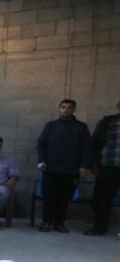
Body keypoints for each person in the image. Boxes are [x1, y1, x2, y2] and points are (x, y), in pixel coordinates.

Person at [36, 99, 91, 233]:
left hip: (71, 170)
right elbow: (41, 144)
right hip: (50, 168)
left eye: (69, 107)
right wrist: (41, 161)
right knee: (49, 197)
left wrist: (84, 166)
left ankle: (59, 223)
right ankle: (46, 222)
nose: (66, 110)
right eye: (63, 107)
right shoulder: (51, 125)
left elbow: (87, 148)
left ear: (74, 110)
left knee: (64, 198)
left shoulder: (81, 127)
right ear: (59, 109)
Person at [85, 98, 120, 236]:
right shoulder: (106, 122)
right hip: (108, 166)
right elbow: (94, 144)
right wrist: (93, 164)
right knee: (100, 199)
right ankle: (99, 228)